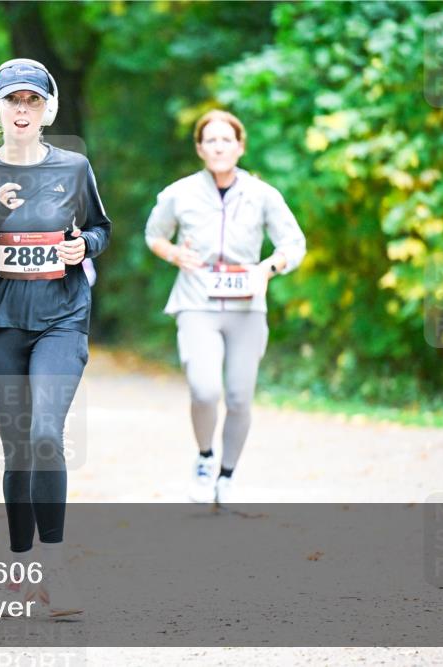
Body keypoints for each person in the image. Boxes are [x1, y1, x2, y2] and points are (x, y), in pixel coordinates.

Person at [0, 59, 111, 616]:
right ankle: (21, 563)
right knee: (18, 449)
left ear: (47, 109)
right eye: (13, 100)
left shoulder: (75, 166)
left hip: (62, 317)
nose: (22, 110)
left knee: (45, 434)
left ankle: (56, 570)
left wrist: (82, 246)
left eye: (33, 101)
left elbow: (100, 228)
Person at [144, 110, 306, 505]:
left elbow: (294, 243)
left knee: (238, 397)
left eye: (226, 140)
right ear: (200, 148)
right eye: (210, 140)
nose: (218, 147)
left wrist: (269, 267)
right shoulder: (179, 193)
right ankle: (204, 458)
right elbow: (154, 235)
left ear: (240, 146)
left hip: (247, 307)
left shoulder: (262, 194)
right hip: (196, 302)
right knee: (204, 389)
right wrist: (174, 255)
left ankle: (227, 475)